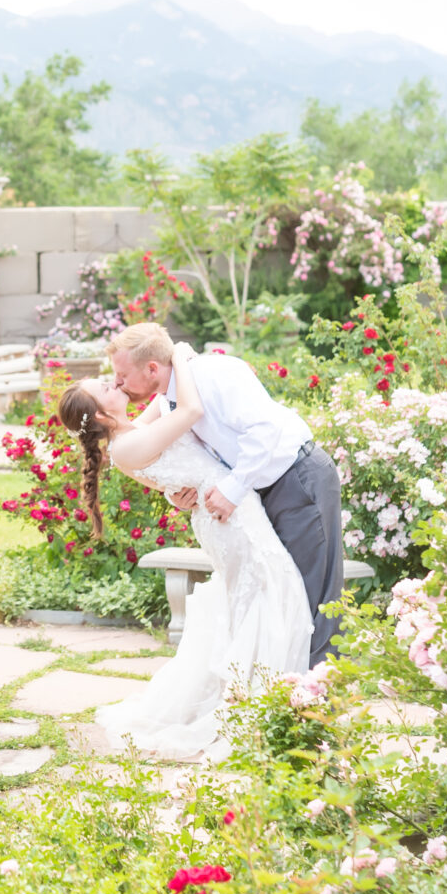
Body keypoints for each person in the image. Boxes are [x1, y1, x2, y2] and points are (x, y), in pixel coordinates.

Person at [56, 341, 314, 761]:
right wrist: (180, 355)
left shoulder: (133, 428)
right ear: (102, 415)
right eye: (107, 385)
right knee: (261, 593)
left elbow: (165, 400)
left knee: (262, 593)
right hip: (226, 518)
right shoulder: (124, 447)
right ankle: (251, 702)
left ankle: (260, 695)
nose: (115, 381)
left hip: (228, 508)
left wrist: (182, 364)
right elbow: (188, 412)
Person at [106, 322, 345, 667]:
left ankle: (320, 698)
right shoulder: (171, 400)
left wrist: (233, 490)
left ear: (152, 368)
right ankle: (284, 693)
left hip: (297, 477)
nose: (118, 383)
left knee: (314, 596)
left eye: (122, 375)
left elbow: (264, 429)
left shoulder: (215, 374)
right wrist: (179, 494)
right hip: (259, 492)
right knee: (282, 593)